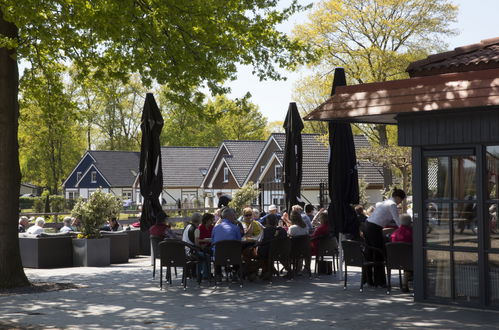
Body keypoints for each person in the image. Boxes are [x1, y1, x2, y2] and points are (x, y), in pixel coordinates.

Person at [364, 188, 406, 287]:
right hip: (374, 228)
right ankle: (380, 281)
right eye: (401, 200)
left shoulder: (385, 202)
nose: (400, 203)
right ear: (398, 197)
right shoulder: (392, 204)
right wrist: (404, 229)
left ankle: (368, 280)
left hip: (368, 225)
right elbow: (397, 220)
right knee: (379, 253)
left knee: (369, 253)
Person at [211, 207, 242, 281]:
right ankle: (235, 272)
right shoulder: (236, 228)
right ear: (230, 216)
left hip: (219, 256)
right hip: (233, 256)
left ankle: (218, 273)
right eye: (234, 216)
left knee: (215, 250)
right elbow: (239, 242)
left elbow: (213, 241)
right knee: (237, 250)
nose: (235, 217)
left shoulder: (215, 228)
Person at [390, 213, 413, 292]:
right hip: (409, 259)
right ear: (410, 222)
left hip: (395, 259)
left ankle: (407, 280)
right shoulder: (412, 233)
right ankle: (406, 281)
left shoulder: (394, 233)